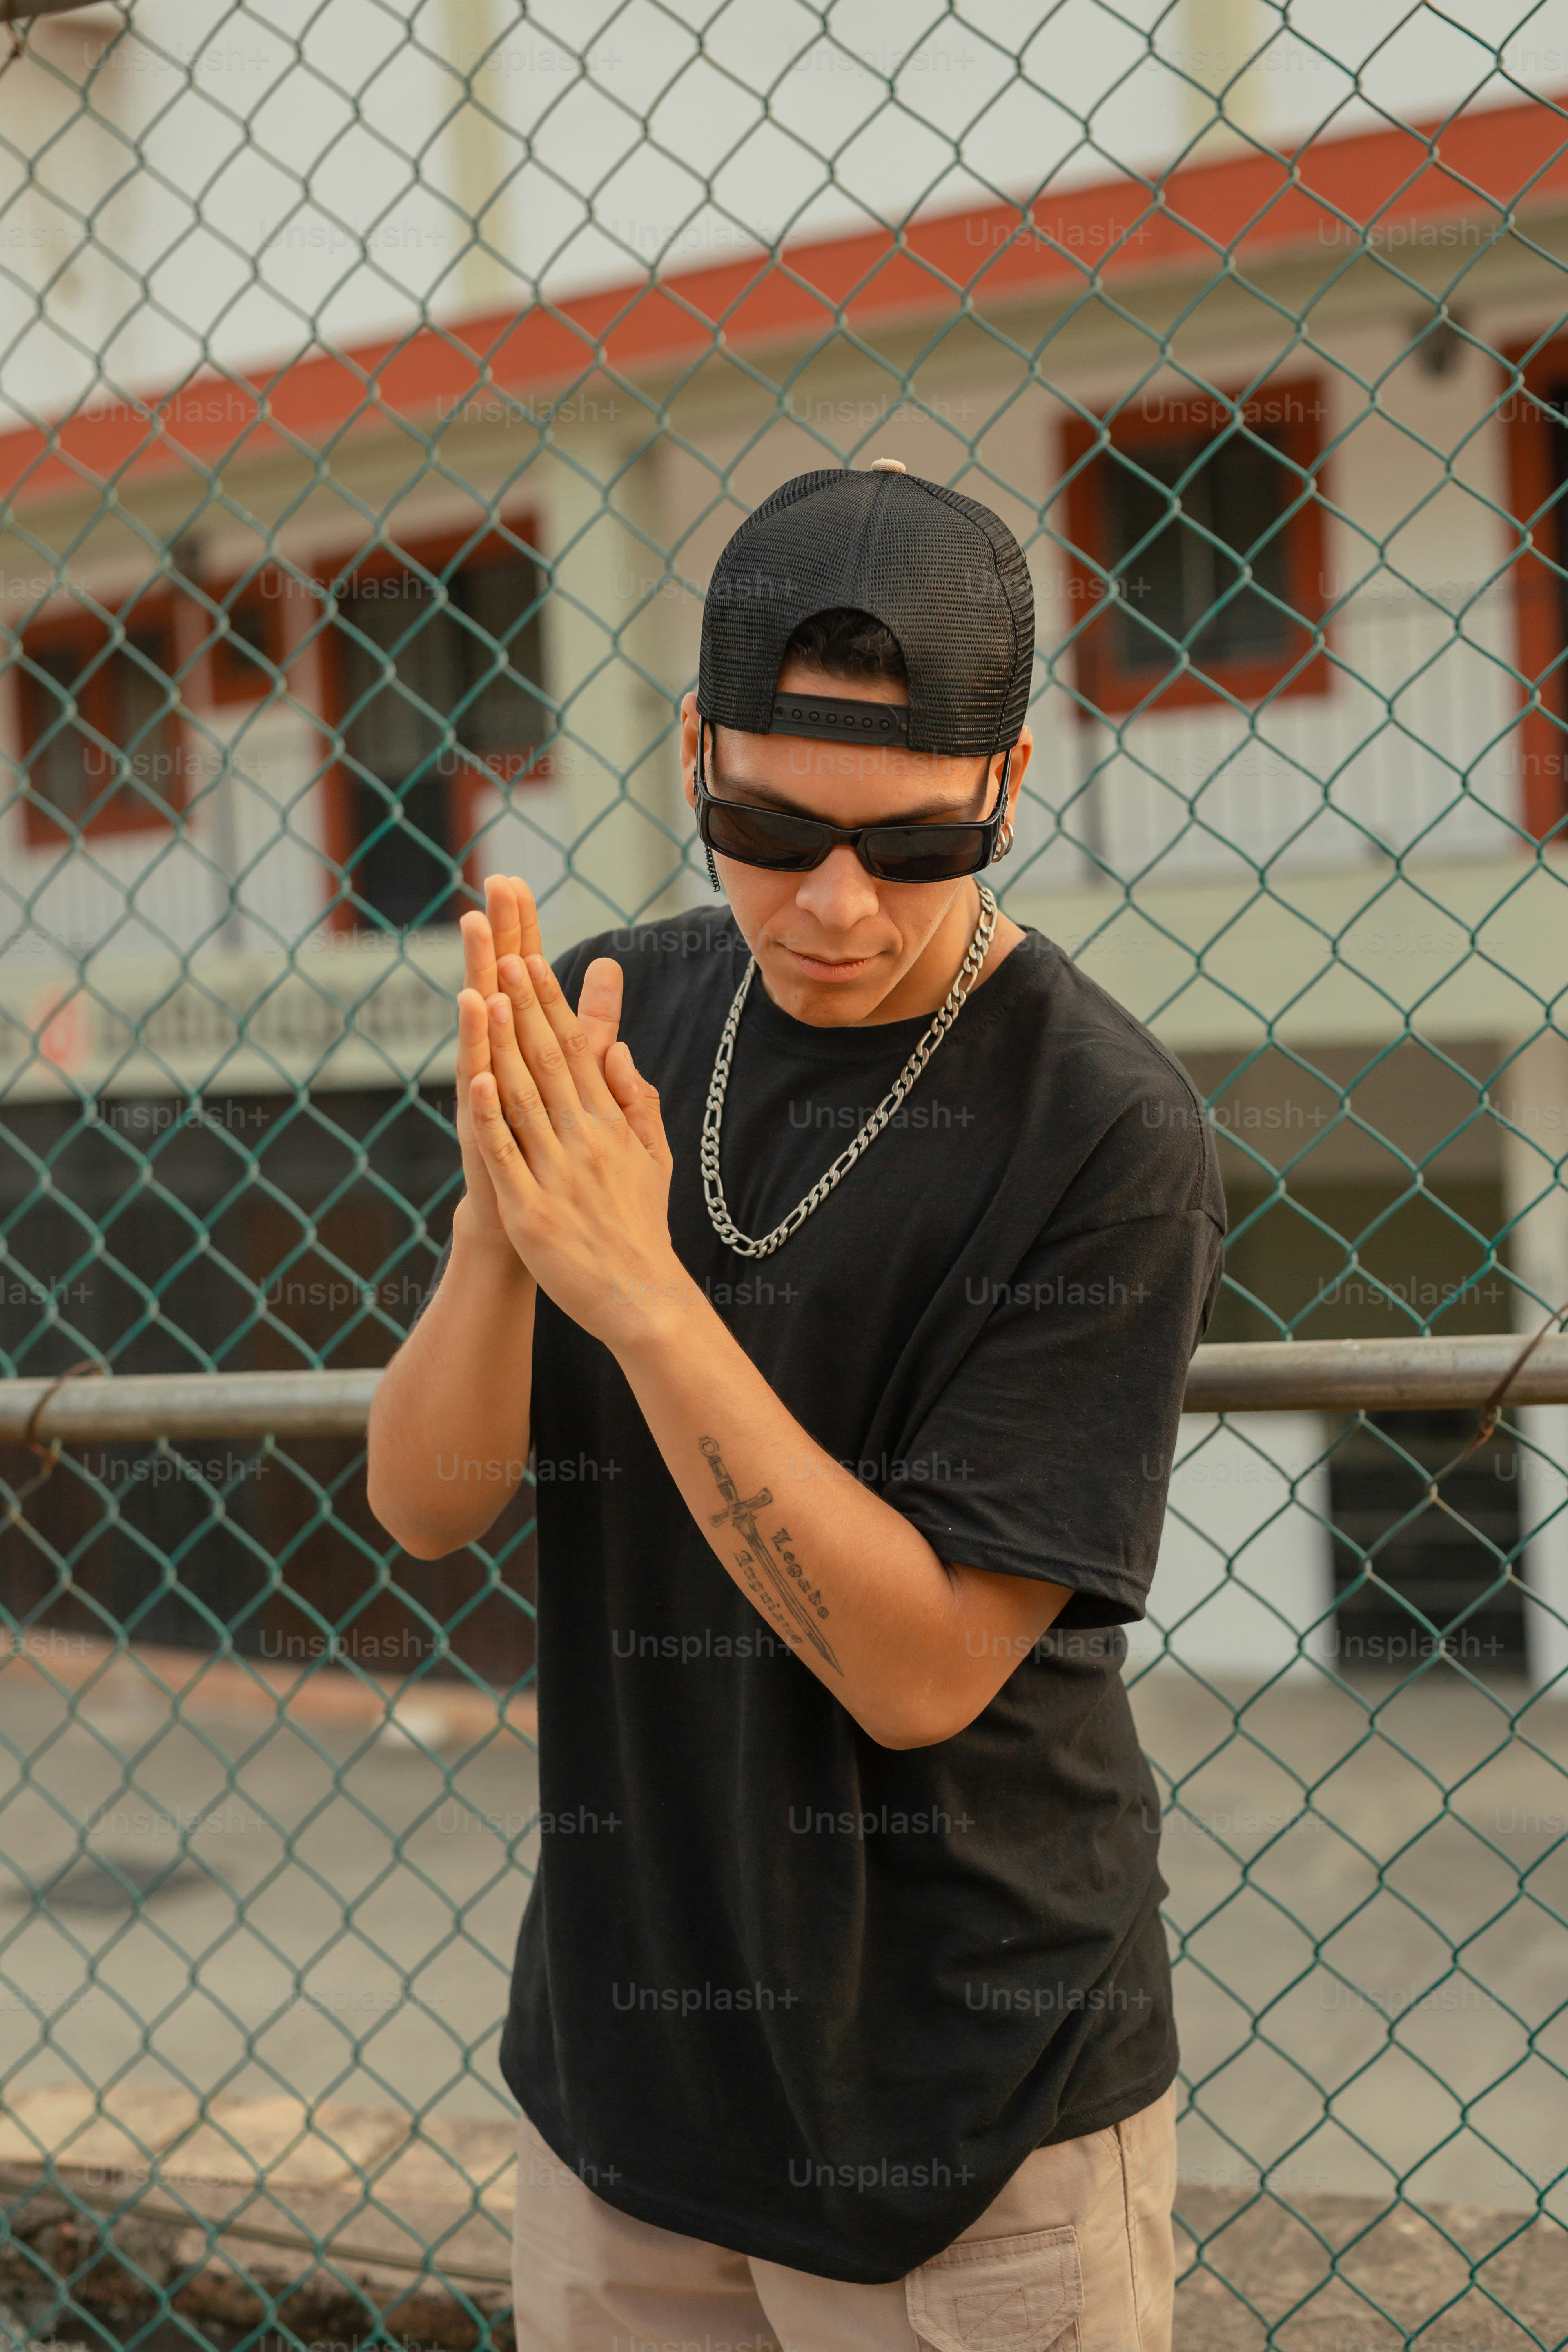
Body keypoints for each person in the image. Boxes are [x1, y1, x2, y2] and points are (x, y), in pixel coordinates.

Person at [367, 461, 1225, 2352]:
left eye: (913, 845)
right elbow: (427, 1506)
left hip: (971, 2125)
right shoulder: (607, 1017)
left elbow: (921, 1669)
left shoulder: (1105, 1130)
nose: (834, 904)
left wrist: (640, 1290)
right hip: (624, 2105)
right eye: (767, 823)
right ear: (692, 754)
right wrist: (506, 1237)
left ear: (1006, 786)